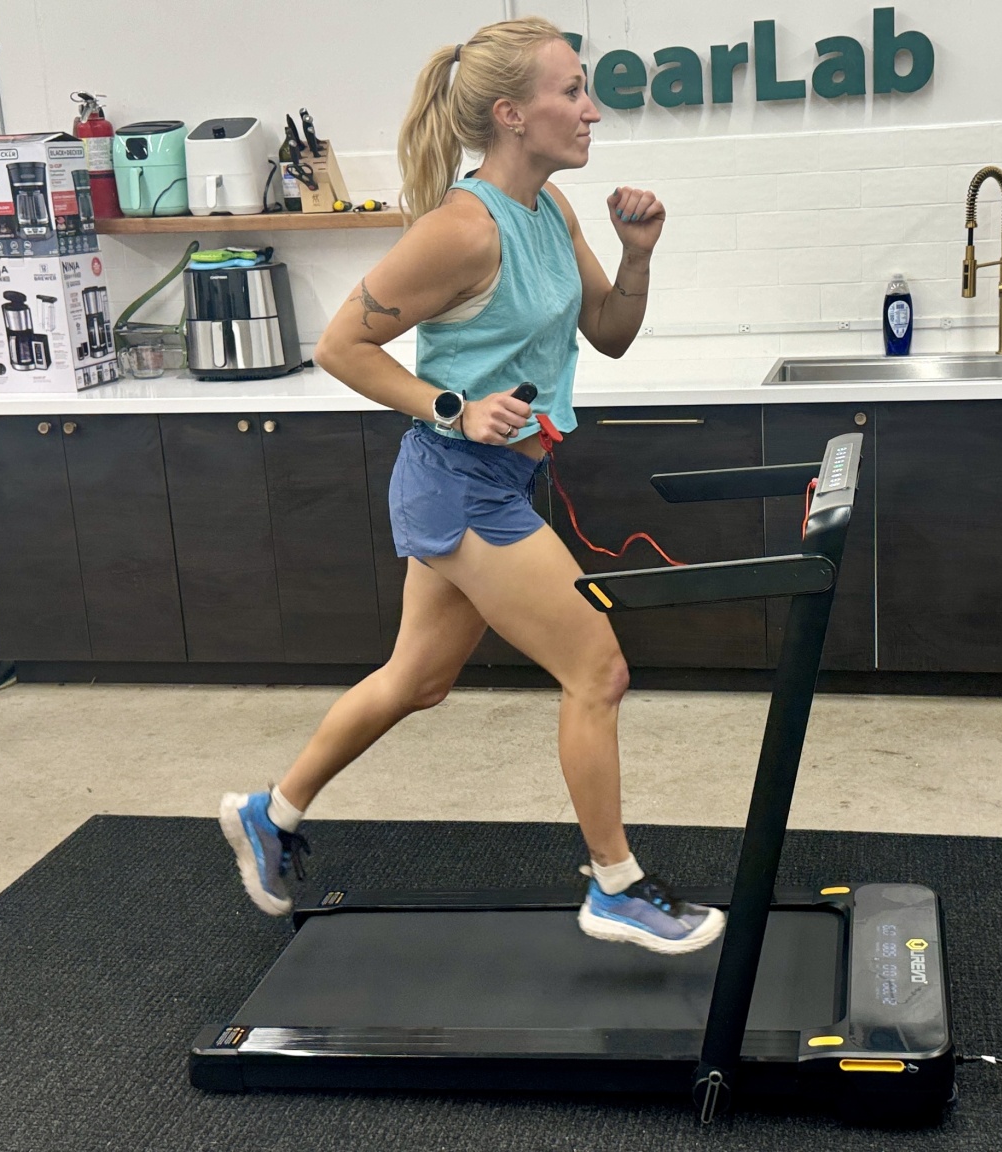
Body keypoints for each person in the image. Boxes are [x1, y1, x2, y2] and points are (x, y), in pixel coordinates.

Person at [219, 17, 723, 955]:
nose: (591, 109)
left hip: (492, 480)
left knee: (415, 681)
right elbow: (342, 347)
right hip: (458, 482)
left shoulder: (551, 210)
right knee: (599, 671)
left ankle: (270, 812)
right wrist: (452, 406)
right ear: (510, 114)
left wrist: (639, 254)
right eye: (571, 91)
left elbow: (610, 333)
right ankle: (616, 886)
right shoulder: (460, 229)